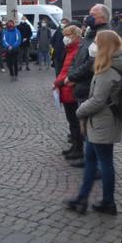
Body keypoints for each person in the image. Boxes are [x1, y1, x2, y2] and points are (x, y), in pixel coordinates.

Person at [65, 30, 122, 215]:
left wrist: (80, 111)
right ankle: (83, 198)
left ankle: (107, 202)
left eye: (96, 42)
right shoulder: (111, 64)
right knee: (92, 159)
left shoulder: (108, 70)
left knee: (104, 162)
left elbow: (98, 100)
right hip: (101, 122)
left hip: (103, 122)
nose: (92, 46)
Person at [67, 4, 111, 167]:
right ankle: (89, 159)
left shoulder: (104, 35)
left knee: (93, 127)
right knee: (86, 127)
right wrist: (72, 73)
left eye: (93, 14)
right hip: (83, 84)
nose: (88, 17)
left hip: (91, 85)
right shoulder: (90, 33)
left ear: (102, 18)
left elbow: (93, 62)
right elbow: (80, 56)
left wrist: (73, 76)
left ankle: (96, 164)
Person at [54, 25, 83, 160]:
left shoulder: (77, 50)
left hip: (71, 89)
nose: (65, 38)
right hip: (65, 88)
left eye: (68, 35)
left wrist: (61, 82)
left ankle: (79, 147)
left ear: (75, 36)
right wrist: (57, 82)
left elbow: (72, 71)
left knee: (75, 121)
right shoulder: (69, 50)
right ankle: (75, 145)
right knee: (71, 120)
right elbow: (64, 70)